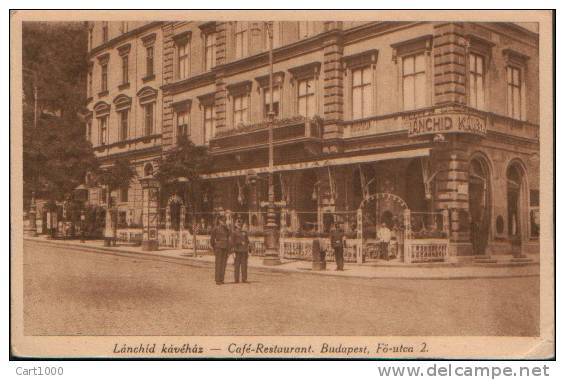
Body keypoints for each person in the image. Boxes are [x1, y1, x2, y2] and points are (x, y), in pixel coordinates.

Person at [210, 215, 230, 285]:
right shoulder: (215, 228)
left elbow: (229, 237)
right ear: (219, 221)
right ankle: (217, 280)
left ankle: (221, 279)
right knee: (218, 263)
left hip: (225, 247)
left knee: (224, 264)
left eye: (225, 221)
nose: (224, 222)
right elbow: (212, 240)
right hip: (218, 247)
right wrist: (214, 247)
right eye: (222, 221)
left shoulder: (227, 229)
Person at [231, 219, 250, 283]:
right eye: (238, 224)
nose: (239, 226)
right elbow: (232, 242)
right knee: (237, 266)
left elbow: (247, 241)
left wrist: (247, 246)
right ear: (236, 225)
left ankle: (244, 279)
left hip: (244, 251)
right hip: (238, 250)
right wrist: (239, 242)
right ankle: (236, 279)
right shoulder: (234, 233)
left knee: (244, 265)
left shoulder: (244, 232)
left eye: (240, 224)